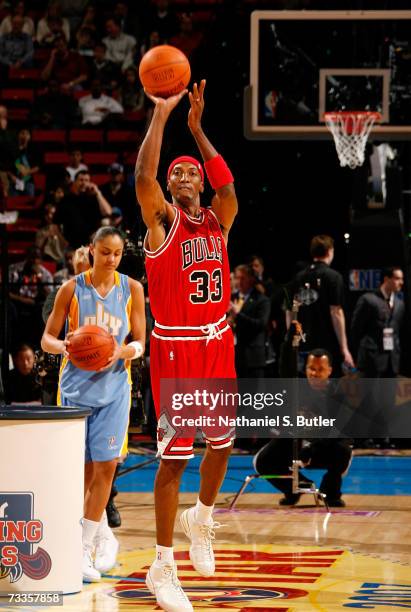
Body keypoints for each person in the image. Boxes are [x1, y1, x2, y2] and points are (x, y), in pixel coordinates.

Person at [135, 79, 238, 611]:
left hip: (218, 344)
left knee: (222, 444)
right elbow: (143, 177)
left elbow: (229, 188)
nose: (181, 175)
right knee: (174, 459)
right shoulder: (162, 222)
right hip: (176, 350)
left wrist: (197, 131)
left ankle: (201, 518)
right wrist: (162, 115)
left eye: (189, 171)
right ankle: (161, 567)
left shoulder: (219, 221)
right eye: (176, 172)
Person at [41, 226, 146, 582]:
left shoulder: (132, 289)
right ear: (91, 249)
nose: (111, 259)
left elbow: (141, 342)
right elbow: (46, 339)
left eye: (116, 254)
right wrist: (65, 346)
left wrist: (122, 350)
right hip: (74, 391)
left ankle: (82, 547)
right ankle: (104, 536)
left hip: (115, 390)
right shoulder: (71, 289)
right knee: (80, 475)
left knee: (105, 471)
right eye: (104, 252)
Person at [254, 348, 352, 507]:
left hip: (323, 447)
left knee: (343, 450)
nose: (315, 373)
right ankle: (296, 488)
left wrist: (312, 448)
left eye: (320, 369)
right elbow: (284, 368)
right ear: (305, 369)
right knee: (262, 461)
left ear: (329, 371)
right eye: (312, 368)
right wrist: (288, 342)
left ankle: (330, 492)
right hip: (297, 444)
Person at [287, 234, 354, 376]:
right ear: (330, 251)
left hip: (304, 343)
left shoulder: (298, 277)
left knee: (306, 385)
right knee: (329, 388)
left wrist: (292, 340)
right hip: (327, 345)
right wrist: (344, 348)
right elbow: (336, 312)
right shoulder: (333, 277)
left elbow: (290, 311)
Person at [351, 267, 404, 378]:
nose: (401, 282)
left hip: (392, 362)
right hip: (371, 362)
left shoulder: (399, 304)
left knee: (389, 395)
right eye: (397, 279)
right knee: (370, 395)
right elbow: (356, 330)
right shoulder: (368, 300)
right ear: (386, 279)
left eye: (402, 279)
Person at [228, 264, 270, 378]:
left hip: (253, 359)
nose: (239, 281)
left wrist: (238, 315)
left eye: (243, 278)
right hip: (234, 357)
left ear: (251, 279)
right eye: (237, 278)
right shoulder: (230, 298)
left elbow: (261, 325)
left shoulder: (262, 300)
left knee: (251, 395)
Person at [55, 170, 112, 248]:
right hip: (70, 242)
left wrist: (98, 193)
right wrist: (63, 242)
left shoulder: (94, 199)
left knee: (106, 222)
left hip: (91, 242)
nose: (84, 183)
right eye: (81, 180)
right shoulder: (66, 200)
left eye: (86, 180)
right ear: (74, 182)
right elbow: (55, 224)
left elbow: (108, 212)